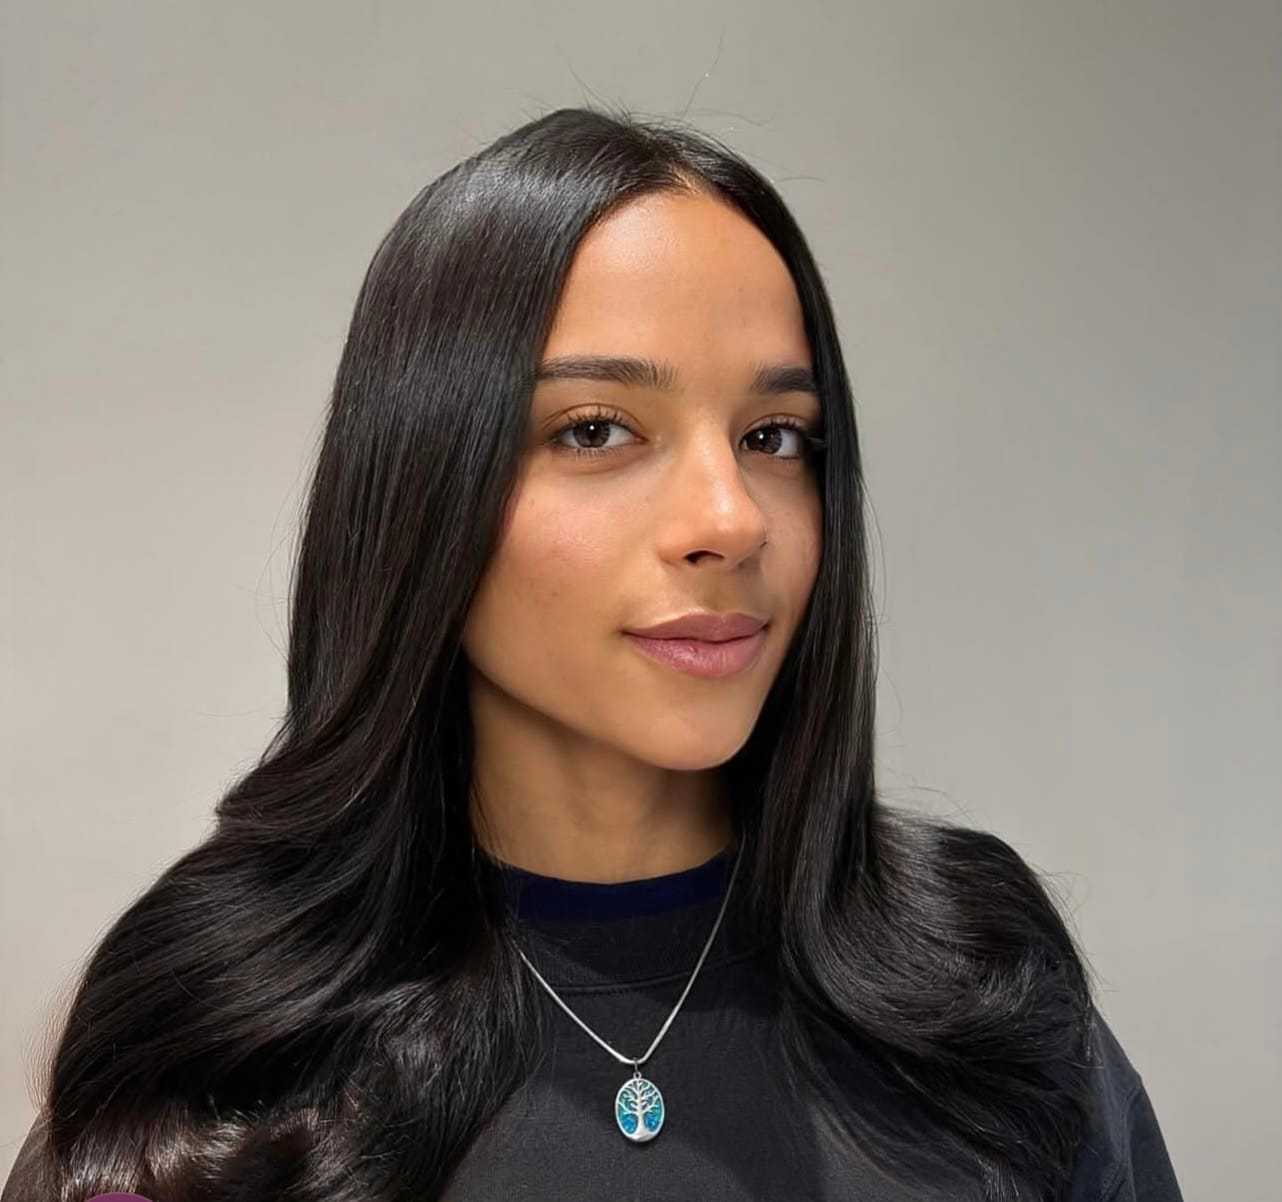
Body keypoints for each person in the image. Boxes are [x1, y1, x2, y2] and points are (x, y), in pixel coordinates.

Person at [2, 105, 1183, 1201]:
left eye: (776, 435)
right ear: (426, 485)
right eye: (598, 429)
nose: (731, 518)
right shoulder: (222, 1068)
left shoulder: (981, 990)